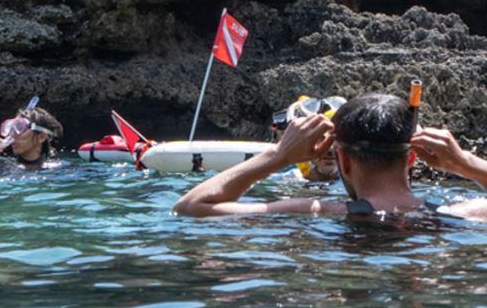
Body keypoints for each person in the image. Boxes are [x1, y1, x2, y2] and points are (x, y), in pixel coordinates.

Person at [174, 93, 487, 220]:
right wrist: (466, 164)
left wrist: (279, 156)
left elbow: (189, 207)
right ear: (412, 159)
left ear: (344, 161)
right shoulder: (462, 215)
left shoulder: (317, 211)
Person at [0, 105, 63, 171]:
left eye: (20, 128)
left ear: (41, 137)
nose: (13, 135)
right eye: (11, 128)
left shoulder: (56, 170)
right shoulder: (0, 166)